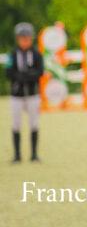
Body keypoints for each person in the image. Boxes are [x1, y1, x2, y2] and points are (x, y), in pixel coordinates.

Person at [7, 22, 44, 163]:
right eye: (22, 38)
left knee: (34, 123)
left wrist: (28, 76)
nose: (25, 41)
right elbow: (9, 72)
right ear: (18, 39)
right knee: (16, 124)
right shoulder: (13, 54)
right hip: (17, 94)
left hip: (33, 94)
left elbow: (40, 71)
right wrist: (19, 77)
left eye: (27, 38)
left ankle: (34, 154)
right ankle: (17, 155)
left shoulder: (36, 54)